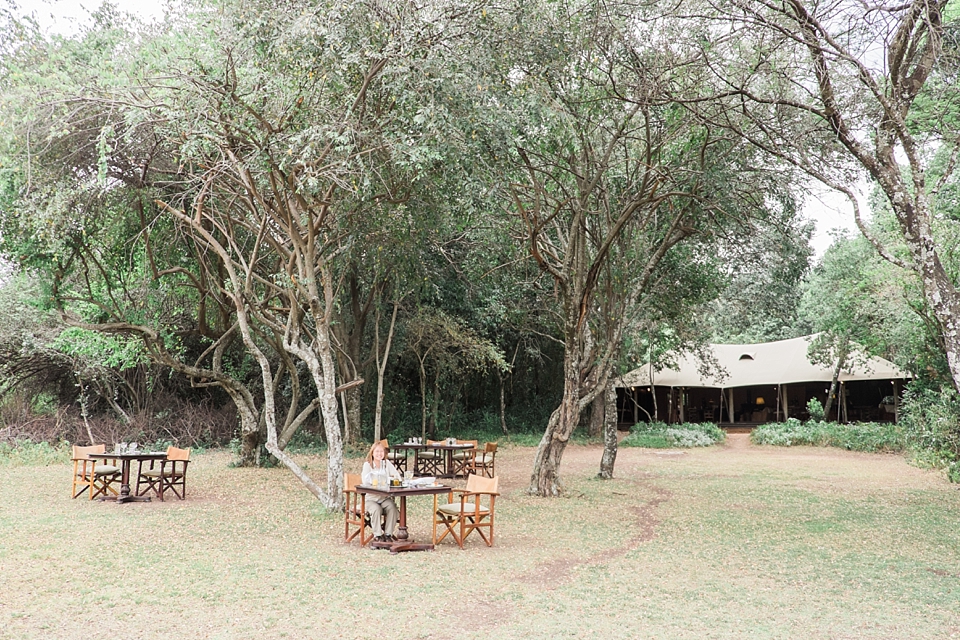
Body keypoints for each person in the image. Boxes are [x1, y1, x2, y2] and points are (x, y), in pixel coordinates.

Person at [361, 442, 400, 542]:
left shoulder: (387, 463)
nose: (379, 454)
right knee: (376, 509)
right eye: (377, 451)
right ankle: (377, 536)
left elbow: (397, 477)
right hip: (371, 498)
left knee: (392, 507)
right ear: (372, 453)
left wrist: (390, 479)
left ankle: (388, 534)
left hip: (384, 498)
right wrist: (380, 480)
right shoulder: (367, 465)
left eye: (381, 451)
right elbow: (365, 482)